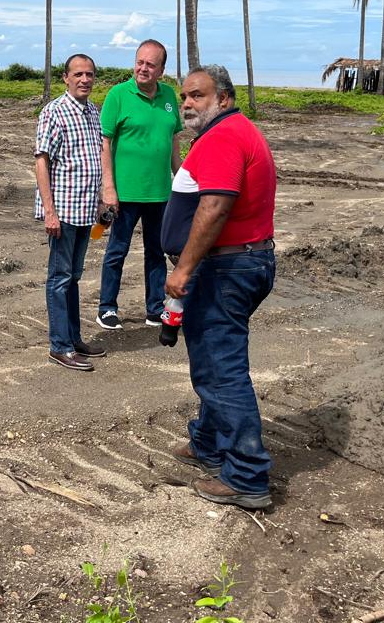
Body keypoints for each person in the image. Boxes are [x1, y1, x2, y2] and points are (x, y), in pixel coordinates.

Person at [161, 64, 277, 511]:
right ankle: (208, 442)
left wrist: (184, 268)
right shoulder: (235, 132)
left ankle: (247, 475)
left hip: (226, 267)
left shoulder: (225, 137)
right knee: (211, 359)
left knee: (221, 370)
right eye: (184, 96)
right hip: (241, 261)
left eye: (197, 96)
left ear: (223, 100)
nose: (187, 103)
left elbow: (215, 205)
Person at [96, 39, 182, 330]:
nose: (143, 69)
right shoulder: (118, 95)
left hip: (160, 193)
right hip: (125, 192)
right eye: (139, 62)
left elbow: (172, 141)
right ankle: (107, 308)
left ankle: (154, 309)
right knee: (116, 251)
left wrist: (180, 179)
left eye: (150, 64)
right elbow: (104, 143)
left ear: (161, 70)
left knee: (156, 252)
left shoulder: (170, 96)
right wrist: (109, 188)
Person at [34, 54, 108, 371]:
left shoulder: (94, 111)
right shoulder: (53, 112)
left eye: (89, 74)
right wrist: (49, 212)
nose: (84, 79)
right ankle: (59, 346)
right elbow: (42, 162)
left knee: (74, 277)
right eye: (78, 74)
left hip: (85, 210)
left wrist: (104, 200)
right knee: (59, 279)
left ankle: (74, 339)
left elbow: (97, 160)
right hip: (62, 211)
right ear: (66, 77)